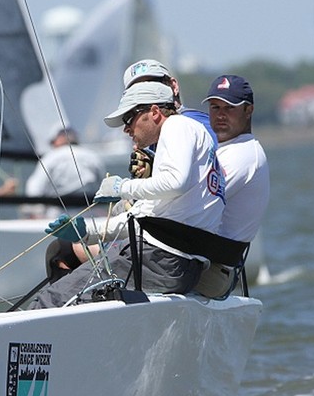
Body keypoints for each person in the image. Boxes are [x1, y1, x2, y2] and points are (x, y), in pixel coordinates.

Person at [28, 81, 225, 308]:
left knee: (52, 299)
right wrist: (88, 231)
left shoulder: (176, 126)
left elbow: (174, 183)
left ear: (154, 112)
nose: (126, 129)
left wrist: (122, 187)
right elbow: (148, 215)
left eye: (128, 118)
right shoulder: (189, 138)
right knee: (66, 286)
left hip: (159, 261)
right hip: (175, 265)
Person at [193, 75, 270, 297]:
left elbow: (192, 204)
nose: (220, 115)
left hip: (211, 272)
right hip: (202, 264)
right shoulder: (223, 149)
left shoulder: (241, 155)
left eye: (229, 108)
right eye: (215, 107)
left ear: (249, 110)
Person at [123, 58, 216, 178]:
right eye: (135, 91)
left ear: (174, 86)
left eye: (152, 85)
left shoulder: (199, 124)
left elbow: (222, 179)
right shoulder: (152, 135)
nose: (145, 93)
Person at [23, 125, 105, 219]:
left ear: (58, 139)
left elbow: (35, 189)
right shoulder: (92, 156)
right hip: (89, 214)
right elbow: (103, 186)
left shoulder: (50, 157)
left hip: (58, 215)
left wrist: (34, 212)